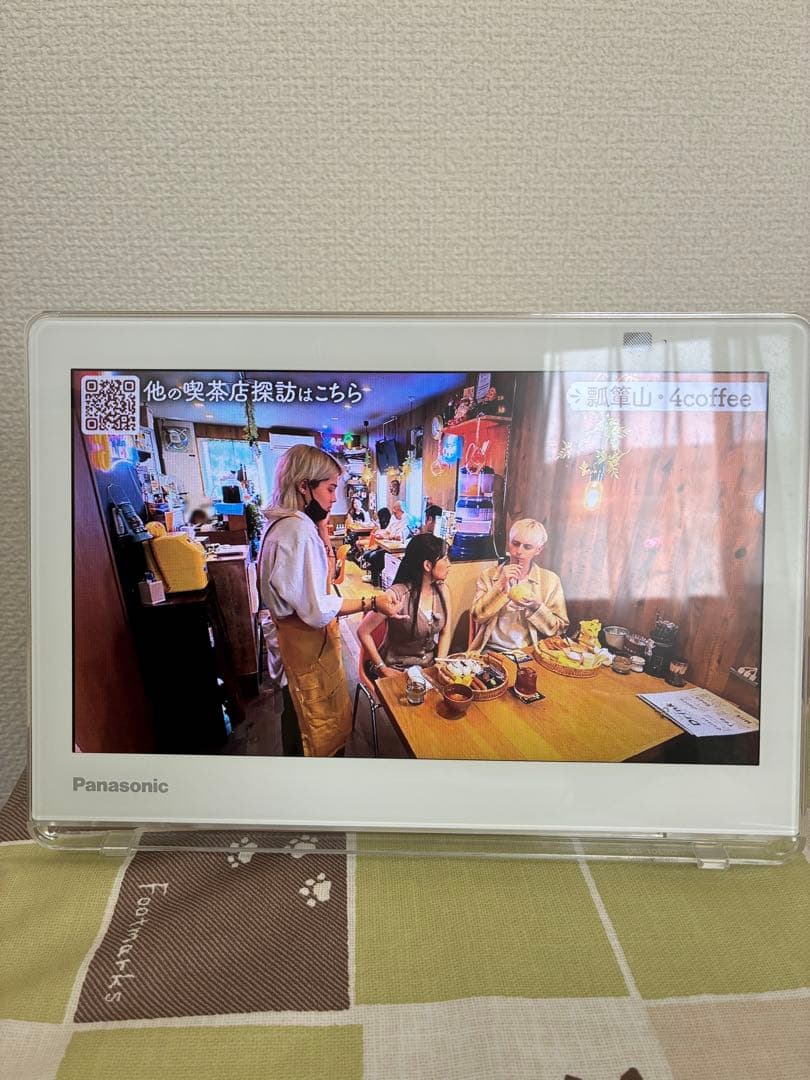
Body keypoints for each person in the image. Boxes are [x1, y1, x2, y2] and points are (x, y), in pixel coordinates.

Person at [258, 445, 405, 757]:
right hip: (305, 653)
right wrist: (372, 602)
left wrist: (322, 525)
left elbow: (321, 578)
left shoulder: (284, 524)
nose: (334, 498)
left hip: (294, 649)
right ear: (304, 485)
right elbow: (317, 609)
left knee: (298, 725)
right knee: (313, 736)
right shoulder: (297, 531)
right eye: (330, 488)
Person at [357, 533, 452, 678]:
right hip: (397, 669)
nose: (449, 564)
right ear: (427, 565)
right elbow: (363, 631)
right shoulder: (397, 594)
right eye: (445, 559)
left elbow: (446, 632)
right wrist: (382, 668)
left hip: (428, 669)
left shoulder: (443, 591)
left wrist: (439, 664)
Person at [470, 518, 568, 652]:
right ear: (508, 543)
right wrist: (500, 585)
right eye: (515, 543)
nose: (519, 551)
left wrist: (536, 606)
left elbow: (559, 629)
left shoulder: (550, 581)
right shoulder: (488, 575)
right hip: (490, 649)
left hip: (529, 651)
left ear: (538, 550)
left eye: (527, 547)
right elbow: (477, 616)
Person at [362, 501, 413, 587]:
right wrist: (381, 535)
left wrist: (390, 536)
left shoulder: (407, 520)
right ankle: (375, 577)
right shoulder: (393, 517)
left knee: (374, 556)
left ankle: (376, 580)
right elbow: (387, 531)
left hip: (397, 550)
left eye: (395, 509)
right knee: (368, 554)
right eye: (393, 509)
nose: (393, 511)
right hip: (388, 545)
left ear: (401, 510)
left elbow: (400, 536)